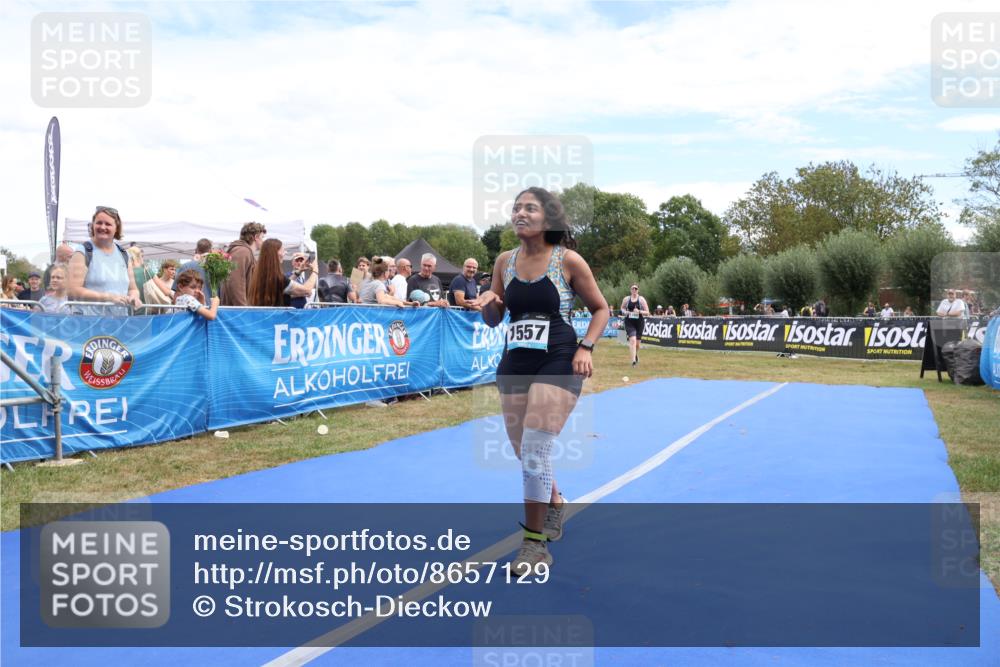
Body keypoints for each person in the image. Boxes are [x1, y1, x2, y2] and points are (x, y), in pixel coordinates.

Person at [469, 186, 610, 575]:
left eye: (530, 208)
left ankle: (535, 546)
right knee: (526, 454)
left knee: (533, 450)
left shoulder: (568, 260)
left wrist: (587, 348)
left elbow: (601, 309)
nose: (520, 213)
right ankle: (555, 503)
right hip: (515, 362)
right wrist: (489, 304)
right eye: (516, 208)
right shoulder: (504, 261)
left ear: (548, 219)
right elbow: (496, 319)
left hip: (561, 357)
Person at [67, 206, 141, 315]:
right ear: (92, 225)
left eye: (108, 224)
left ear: (116, 228)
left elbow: (133, 289)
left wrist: (134, 297)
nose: (102, 227)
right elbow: (72, 290)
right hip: (89, 324)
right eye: (99, 223)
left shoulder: (124, 254)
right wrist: (107, 297)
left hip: (119, 324)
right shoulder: (83, 252)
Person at [248, 239, 317, 307]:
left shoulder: (261, 275)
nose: (285, 253)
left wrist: (298, 273)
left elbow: (283, 285)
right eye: (283, 250)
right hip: (278, 316)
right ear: (275, 253)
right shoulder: (277, 278)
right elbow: (307, 290)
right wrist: (315, 270)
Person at [221, 222, 266, 306]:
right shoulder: (242, 252)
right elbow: (236, 282)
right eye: (262, 237)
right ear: (256, 237)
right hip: (238, 312)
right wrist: (243, 309)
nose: (263, 241)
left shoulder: (244, 252)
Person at [173, 238, 213, 302]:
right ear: (211, 251)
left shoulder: (186, 266)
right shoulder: (218, 269)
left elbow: (177, 292)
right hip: (211, 308)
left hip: (189, 308)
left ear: (196, 250)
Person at [619, 284, 649, 366]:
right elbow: (622, 308)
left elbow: (647, 312)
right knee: (632, 340)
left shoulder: (641, 299)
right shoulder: (626, 299)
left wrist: (639, 311)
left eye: (636, 289)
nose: (634, 290)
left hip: (639, 322)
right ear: (630, 290)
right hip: (629, 321)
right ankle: (633, 361)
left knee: (637, 344)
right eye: (633, 288)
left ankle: (635, 354)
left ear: (638, 290)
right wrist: (625, 312)